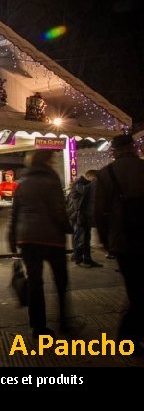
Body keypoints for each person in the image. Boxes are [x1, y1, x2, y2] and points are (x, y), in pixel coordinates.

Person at [8, 150, 73, 339]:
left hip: (27, 238)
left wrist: (12, 238)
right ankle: (64, 320)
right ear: (47, 162)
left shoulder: (21, 184)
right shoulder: (52, 180)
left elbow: (15, 213)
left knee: (36, 282)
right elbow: (58, 210)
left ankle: (38, 326)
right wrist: (68, 227)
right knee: (61, 280)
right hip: (52, 237)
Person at [94, 133, 144, 355]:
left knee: (135, 287)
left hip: (123, 241)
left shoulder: (107, 174)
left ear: (114, 150)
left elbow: (98, 213)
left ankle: (127, 337)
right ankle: (130, 337)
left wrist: (105, 241)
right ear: (133, 148)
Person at [69, 169, 102, 268]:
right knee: (80, 239)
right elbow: (84, 191)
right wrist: (94, 183)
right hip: (78, 216)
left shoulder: (85, 184)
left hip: (84, 216)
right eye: (94, 178)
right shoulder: (79, 183)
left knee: (86, 239)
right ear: (89, 176)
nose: (95, 181)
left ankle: (87, 259)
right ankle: (78, 260)